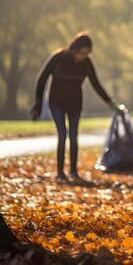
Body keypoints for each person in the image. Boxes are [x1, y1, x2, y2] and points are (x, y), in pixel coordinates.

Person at [31, 32, 125, 182]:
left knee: (73, 136)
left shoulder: (87, 63)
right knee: (62, 134)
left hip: (75, 104)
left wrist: (111, 104)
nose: (83, 56)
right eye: (82, 52)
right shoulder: (59, 58)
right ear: (75, 48)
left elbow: (96, 85)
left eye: (87, 53)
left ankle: (73, 172)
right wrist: (37, 104)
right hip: (56, 102)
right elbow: (42, 79)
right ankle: (60, 172)